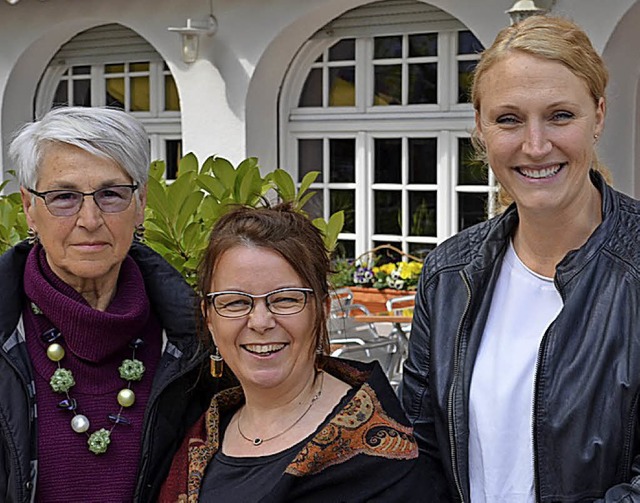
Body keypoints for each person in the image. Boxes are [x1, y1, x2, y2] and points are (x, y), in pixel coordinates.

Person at [402, 15, 640, 502]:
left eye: (560, 116)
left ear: (597, 116)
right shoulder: (449, 274)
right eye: (509, 119)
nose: (535, 146)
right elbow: (420, 446)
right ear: (481, 128)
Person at [0, 106, 214, 502]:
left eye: (111, 194)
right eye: (64, 197)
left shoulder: (196, 340)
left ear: (140, 204)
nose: (90, 219)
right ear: (29, 207)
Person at [159, 203, 425, 502]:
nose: (260, 322)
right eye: (235, 302)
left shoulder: (380, 455)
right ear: (209, 318)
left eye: (285, 299)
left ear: (321, 311)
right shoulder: (198, 437)